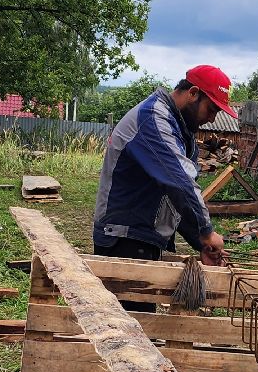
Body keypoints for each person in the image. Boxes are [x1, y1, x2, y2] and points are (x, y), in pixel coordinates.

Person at [91, 66, 235, 308]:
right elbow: (179, 182)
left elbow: (176, 197)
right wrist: (207, 230)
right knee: (127, 332)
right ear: (193, 93)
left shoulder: (180, 130)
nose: (212, 118)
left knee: (139, 329)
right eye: (211, 109)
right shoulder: (154, 119)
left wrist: (202, 242)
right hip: (124, 239)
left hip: (141, 238)